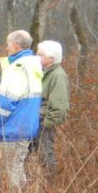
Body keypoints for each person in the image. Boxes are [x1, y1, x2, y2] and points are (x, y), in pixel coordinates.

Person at [0, 30, 43, 190]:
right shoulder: (34, 66)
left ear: (14, 45)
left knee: (8, 173)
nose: (7, 48)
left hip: (11, 129)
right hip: (27, 128)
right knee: (18, 168)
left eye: (8, 44)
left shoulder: (17, 68)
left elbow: (6, 103)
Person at [32, 40, 70, 173]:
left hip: (44, 125)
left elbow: (60, 107)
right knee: (32, 157)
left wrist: (46, 124)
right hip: (35, 122)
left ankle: (49, 184)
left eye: (40, 54)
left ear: (50, 59)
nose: (37, 57)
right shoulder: (42, 72)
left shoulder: (57, 76)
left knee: (45, 156)